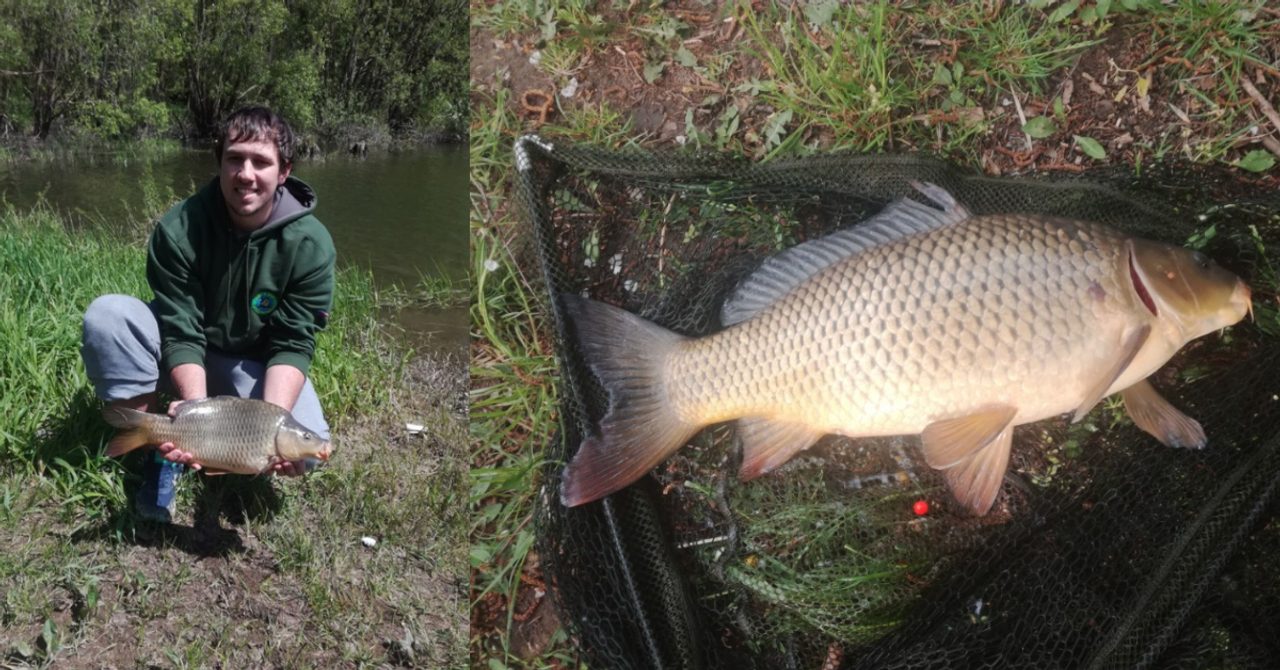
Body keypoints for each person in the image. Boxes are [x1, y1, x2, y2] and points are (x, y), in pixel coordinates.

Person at [81, 106, 336, 523]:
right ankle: (156, 454)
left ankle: (237, 459)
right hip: (184, 355)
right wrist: (193, 414)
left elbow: (292, 343)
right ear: (219, 163)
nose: (246, 174)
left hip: (250, 363)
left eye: (261, 161)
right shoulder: (180, 228)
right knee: (108, 317)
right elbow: (181, 331)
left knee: (310, 449)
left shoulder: (311, 245)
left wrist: (269, 431)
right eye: (235, 158)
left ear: (284, 171)